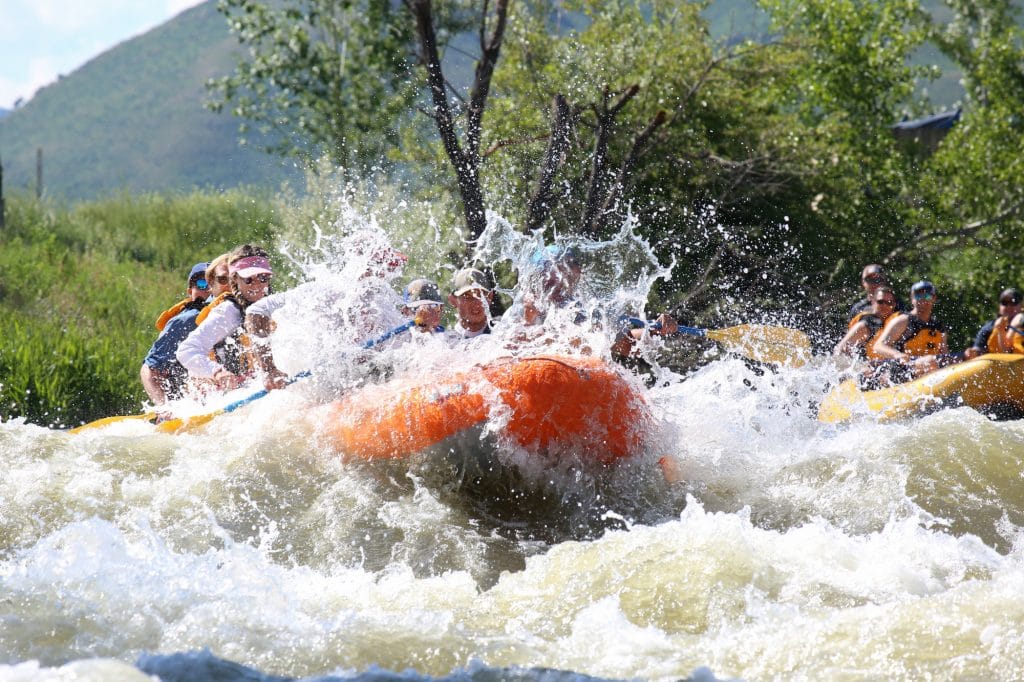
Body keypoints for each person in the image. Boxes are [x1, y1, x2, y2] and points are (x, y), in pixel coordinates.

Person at [176, 245, 274, 391]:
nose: (257, 284)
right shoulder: (228, 311)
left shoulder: (275, 305)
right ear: (235, 280)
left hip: (255, 387)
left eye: (262, 277)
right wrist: (217, 372)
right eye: (248, 279)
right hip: (223, 394)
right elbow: (186, 350)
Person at [140, 262, 210, 406]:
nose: (208, 290)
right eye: (202, 283)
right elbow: (148, 368)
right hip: (187, 398)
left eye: (214, 283)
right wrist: (163, 407)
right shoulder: (185, 321)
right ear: (190, 291)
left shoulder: (234, 312)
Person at [872, 280, 951, 381]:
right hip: (902, 369)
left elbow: (945, 355)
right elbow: (878, 346)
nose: (923, 300)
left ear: (934, 298)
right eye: (918, 296)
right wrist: (897, 355)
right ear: (912, 299)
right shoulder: (903, 320)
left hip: (928, 369)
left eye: (927, 296)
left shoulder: (938, 326)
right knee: (930, 361)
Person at [833, 286, 898, 360]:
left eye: (889, 303)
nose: (885, 305)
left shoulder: (898, 322)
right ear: (873, 301)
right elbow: (840, 349)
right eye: (880, 302)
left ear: (894, 304)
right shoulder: (866, 324)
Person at [964, 288, 1022, 359]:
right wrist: (973, 352)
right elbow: (979, 350)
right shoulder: (989, 328)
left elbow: (1008, 351)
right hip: (997, 366)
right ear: (999, 306)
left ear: (1021, 305)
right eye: (1004, 303)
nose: (1009, 306)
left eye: (1013, 302)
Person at [447, 268, 500, 339]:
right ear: (453, 301)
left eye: (481, 295)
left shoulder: (504, 331)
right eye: (468, 297)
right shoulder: (447, 342)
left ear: (490, 297)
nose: (477, 303)